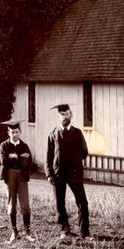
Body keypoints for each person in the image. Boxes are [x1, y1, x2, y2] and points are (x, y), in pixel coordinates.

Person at [45, 103, 91, 240]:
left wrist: (73, 162)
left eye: (67, 114)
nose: (64, 117)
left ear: (71, 115)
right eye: (62, 114)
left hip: (74, 173)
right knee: (60, 203)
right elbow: (48, 156)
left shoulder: (77, 133)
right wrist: (49, 174)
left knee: (82, 202)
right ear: (58, 117)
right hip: (58, 174)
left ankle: (85, 232)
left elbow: (84, 152)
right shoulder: (53, 134)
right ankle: (64, 229)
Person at [0, 120, 35, 243]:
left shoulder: (24, 146)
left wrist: (14, 156)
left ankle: (27, 232)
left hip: (22, 176)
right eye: (12, 132)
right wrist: (20, 157)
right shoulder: (4, 145)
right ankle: (14, 232)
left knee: (25, 204)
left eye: (17, 132)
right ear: (8, 133)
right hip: (9, 176)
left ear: (20, 132)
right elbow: (4, 161)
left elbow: (28, 162)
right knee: (11, 204)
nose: (14, 134)